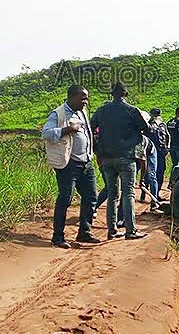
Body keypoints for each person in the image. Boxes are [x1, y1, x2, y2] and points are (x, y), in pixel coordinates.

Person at [41, 85, 100, 248]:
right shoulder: (58, 113)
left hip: (86, 163)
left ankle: (84, 233)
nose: (86, 102)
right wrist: (68, 129)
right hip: (68, 164)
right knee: (65, 198)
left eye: (86, 98)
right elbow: (46, 133)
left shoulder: (82, 112)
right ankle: (58, 237)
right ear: (72, 97)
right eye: (83, 98)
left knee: (91, 197)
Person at [90, 81, 149, 240]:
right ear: (125, 94)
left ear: (112, 94)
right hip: (126, 157)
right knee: (128, 193)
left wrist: (97, 149)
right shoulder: (131, 110)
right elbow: (146, 128)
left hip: (107, 158)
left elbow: (90, 128)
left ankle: (112, 230)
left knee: (112, 194)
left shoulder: (101, 111)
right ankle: (131, 231)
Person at [149, 108, 170, 201]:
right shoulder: (149, 124)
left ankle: (156, 194)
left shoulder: (163, 124)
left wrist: (168, 147)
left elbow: (168, 136)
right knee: (149, 174)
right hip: (151, 152)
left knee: (160, 173)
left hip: (161, 152)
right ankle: (145, 194)